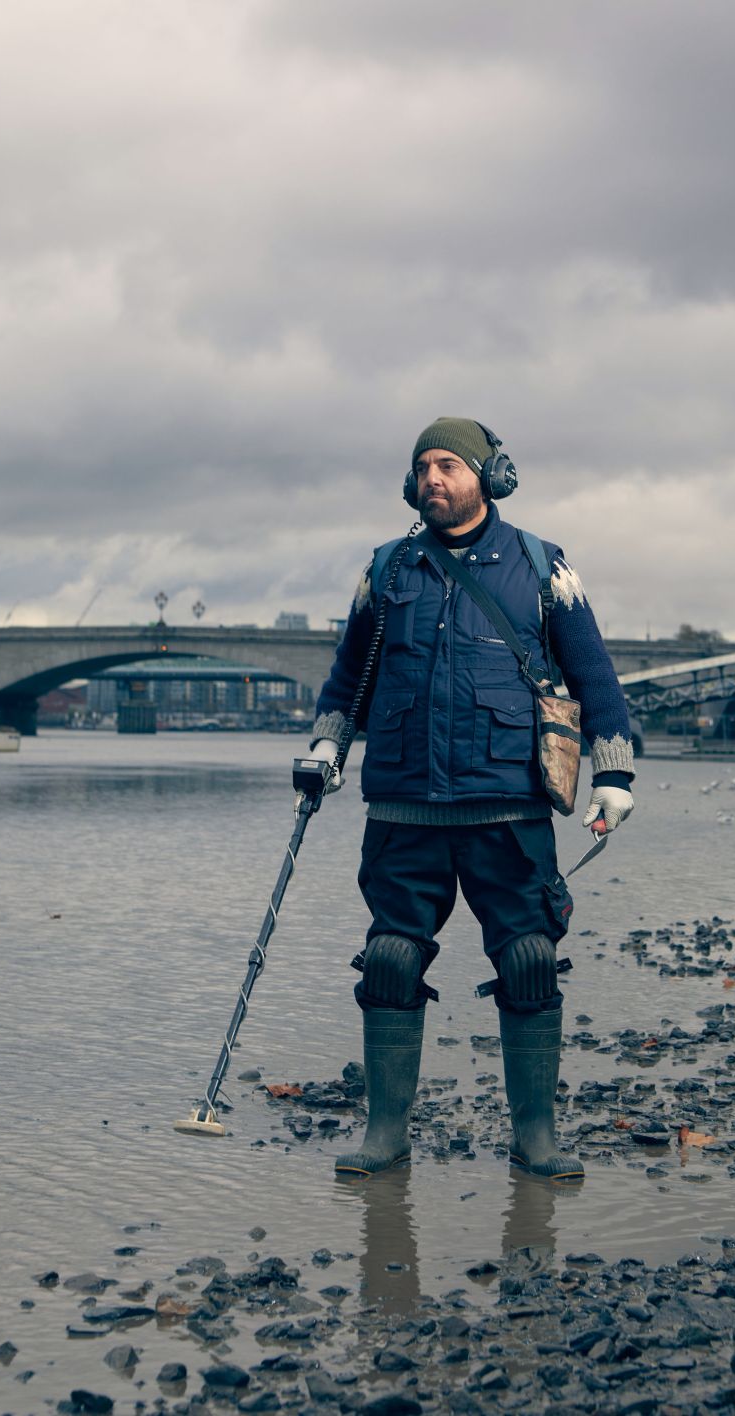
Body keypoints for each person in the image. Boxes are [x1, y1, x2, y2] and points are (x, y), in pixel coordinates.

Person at [305, 417, 634, 1180]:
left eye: (448, 464)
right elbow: (347, 674)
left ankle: (537, 1139)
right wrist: (327, 746)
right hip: (403, 810)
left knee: (527, 961)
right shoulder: (386, 571)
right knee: (388, 960)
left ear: (491, 475)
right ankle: (385, 1135)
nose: (433, 478)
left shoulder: (543, 567)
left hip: (508, 810)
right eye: (422, 467)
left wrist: (614, 774)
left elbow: (596, 680)